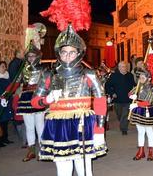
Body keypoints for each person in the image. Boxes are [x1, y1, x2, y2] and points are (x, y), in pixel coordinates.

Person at [31, 24, 107, 176]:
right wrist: (47, 100)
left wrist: (99, 130)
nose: (67, 56)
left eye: (72, 52)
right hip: (59, 126)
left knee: (84, 168)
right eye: (64, 52)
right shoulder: (49, 75)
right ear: (59, 53)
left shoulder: (89, 74)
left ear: (79, 53)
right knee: (63, 170)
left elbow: (100, 101)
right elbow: (35, 102)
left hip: (82, 123)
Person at [15, 45, 46, 161]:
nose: (31, 58)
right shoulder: (23, 69)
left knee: (40, 126)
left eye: (33, 56)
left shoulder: (43, 69)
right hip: (25, 98)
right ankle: (31, 150)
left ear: (37, 57)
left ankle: (43, 150)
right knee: (29, 127)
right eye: (29, 56)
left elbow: (47, 84)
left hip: (38, 97)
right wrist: (7, 93)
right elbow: (16, 82)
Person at [128, 64, 153, 161]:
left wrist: (136, 103)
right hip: (138, 111)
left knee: (149, 132)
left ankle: (151, 151)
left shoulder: (152, 87)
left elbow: (148, 101)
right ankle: (141, 151)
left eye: (143, 77)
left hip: (147, 111)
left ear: (149, 78)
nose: (141, 78)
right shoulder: (139, 85)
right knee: (140, 132)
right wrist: (132, 96)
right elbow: (130, 93)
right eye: (140, 77)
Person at [105, 61, 136, 135]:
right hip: (117, 99)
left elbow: (134, 85)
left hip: (128, 99)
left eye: (125, 66)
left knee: (125, 114)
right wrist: (112, 93)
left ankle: (124, 129)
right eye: (122, 67)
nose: (124, 68)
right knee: (120, 115)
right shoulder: (114, 76)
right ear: (119, 68)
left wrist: (135, 90)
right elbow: (107, 86)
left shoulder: (130, 75)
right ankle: (123, 123)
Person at [0, 61, 12, 147]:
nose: (4, 68)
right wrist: (0, 99)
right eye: (2, 67)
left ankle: (5, 138)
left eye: (5, 66)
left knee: (6, 121)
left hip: (7, 101)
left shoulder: (7, 76)